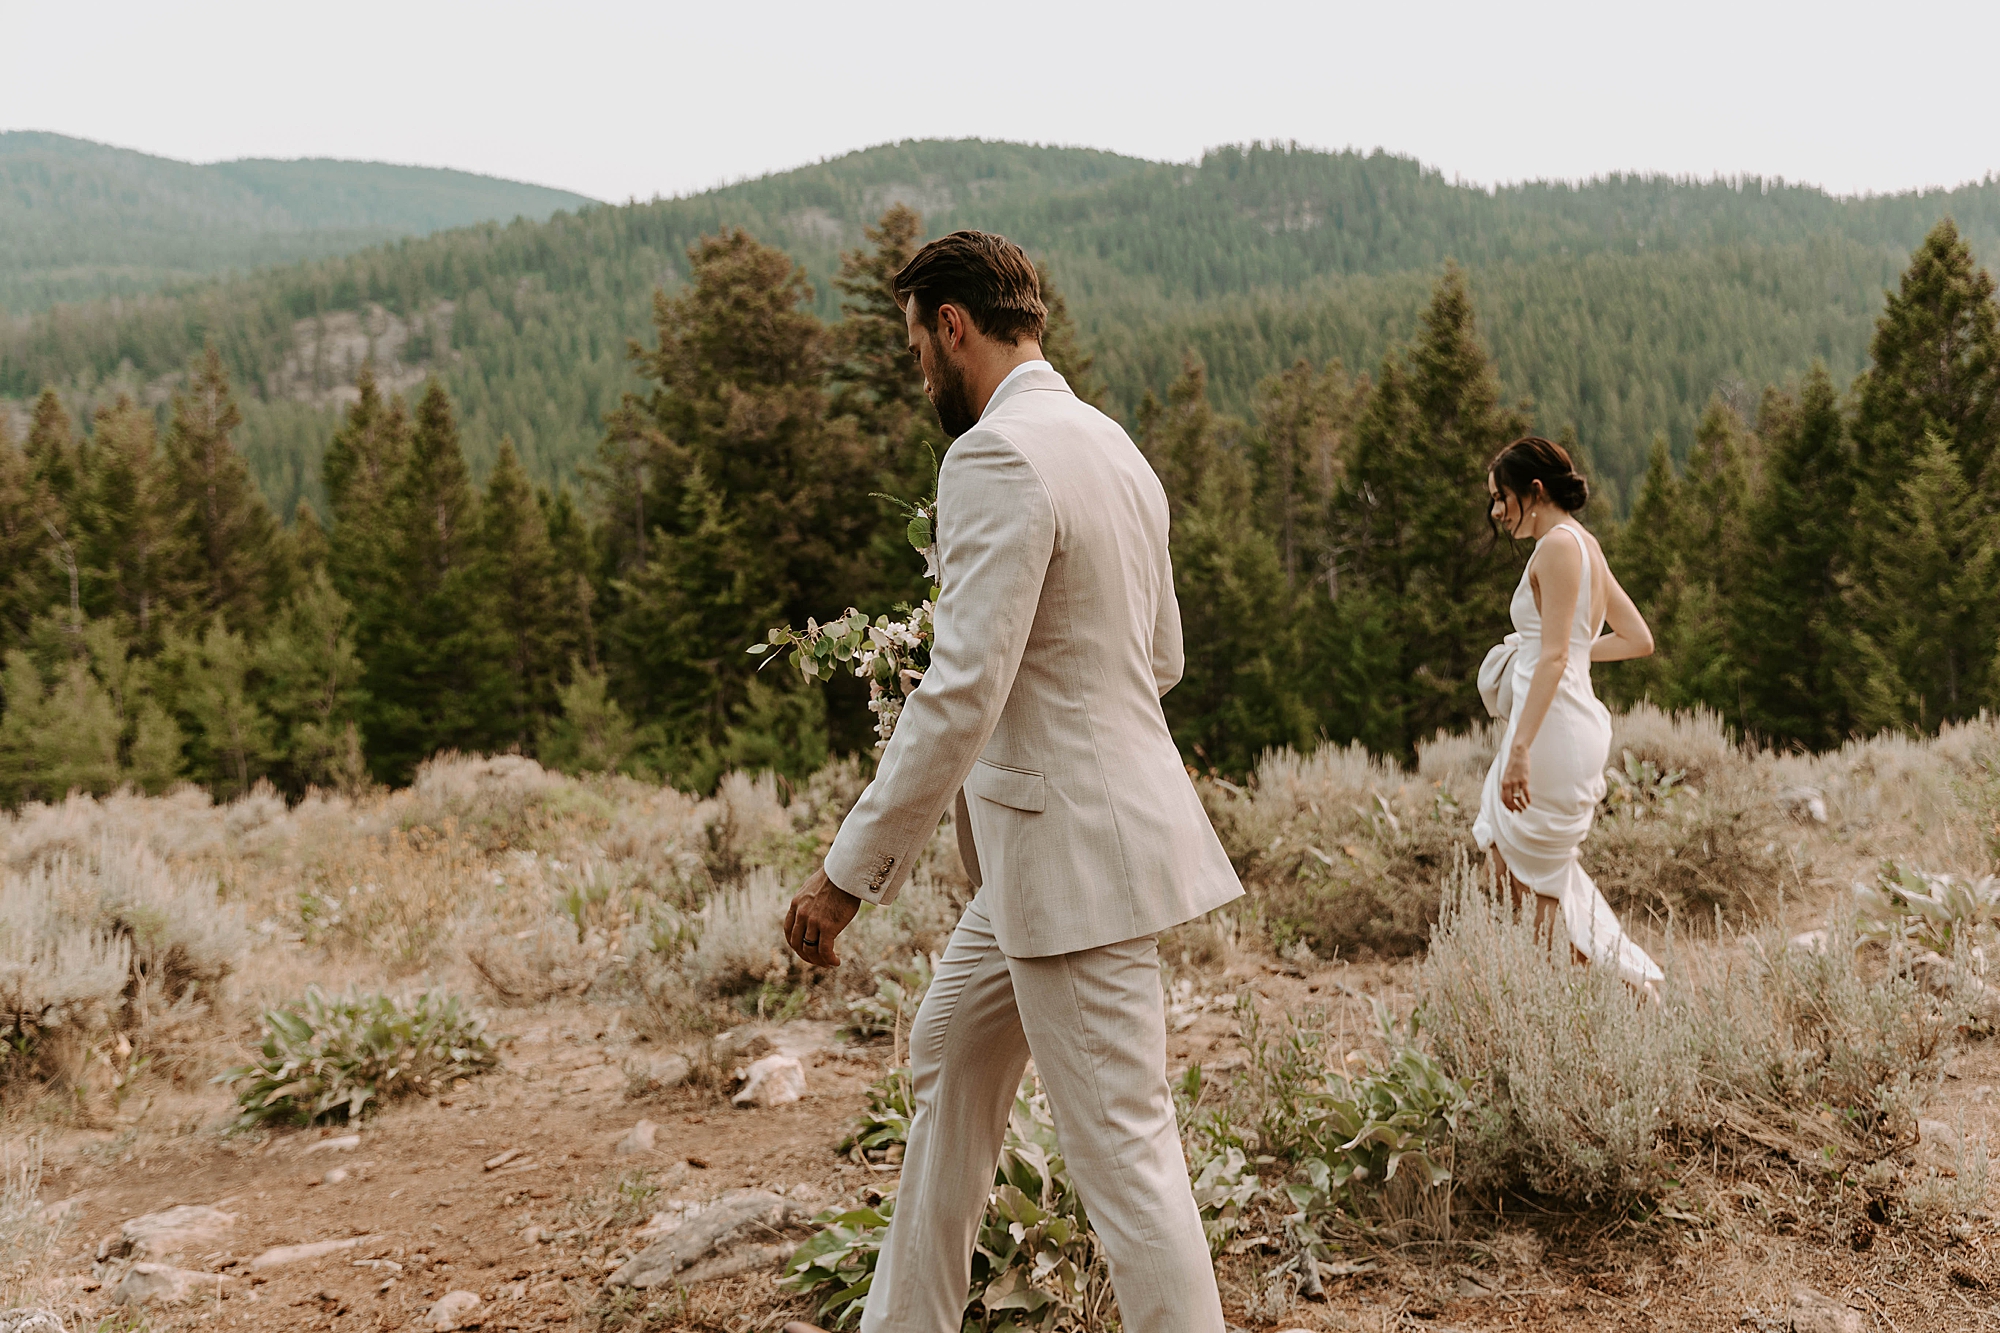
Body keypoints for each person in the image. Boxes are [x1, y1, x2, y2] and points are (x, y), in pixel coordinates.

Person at [778, 231, 1242, 1333]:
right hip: (1048, 858)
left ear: (952, 326)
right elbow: (1160, 657)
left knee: (1127, 1156)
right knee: (947, 1056)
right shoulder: (1113, 447)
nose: (917, 376)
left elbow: (962, 690)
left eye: (915, 349)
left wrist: (844, 878)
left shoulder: (991, 456)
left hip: (1069, 860)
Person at [1472, 436, 1664, 995]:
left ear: (1534, 490)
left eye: (1501, 497)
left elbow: (1557, 655)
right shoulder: (1586, 545)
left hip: (1550, 732)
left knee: (1527, 880)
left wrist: (1521, 748)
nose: (1495, 511)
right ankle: (1603, 990)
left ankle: (1614, 996)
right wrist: (1566, 653)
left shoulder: (1557, 546)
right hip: (1563, 722)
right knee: (1509, 871)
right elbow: (1635, 639)